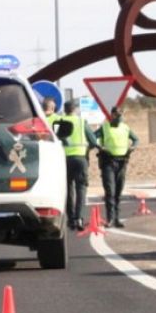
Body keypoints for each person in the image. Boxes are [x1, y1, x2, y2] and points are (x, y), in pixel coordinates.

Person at [92, 106, 139, 228]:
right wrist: (100, 147)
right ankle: (110, 219)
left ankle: (117, 218)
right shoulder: (105, 127)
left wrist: (133, 147)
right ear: (111, 115)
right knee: (110, 191)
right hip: (108, 162)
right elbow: (92, 137)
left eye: (121, 115)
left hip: (122, 163)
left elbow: (136, 139)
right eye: (117, 115)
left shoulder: (125, 128)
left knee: (118, 191)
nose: (119, 117)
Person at [58, 99, 91, 230]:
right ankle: (79, 218)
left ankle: (70, 219)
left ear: (65, 110)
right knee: (81, 189)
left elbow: (56, 137)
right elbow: (93, 140)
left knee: (68, 189)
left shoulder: (59, 122)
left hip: (65, 159)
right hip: (80, 158)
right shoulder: (81, 121)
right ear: (75, 109)